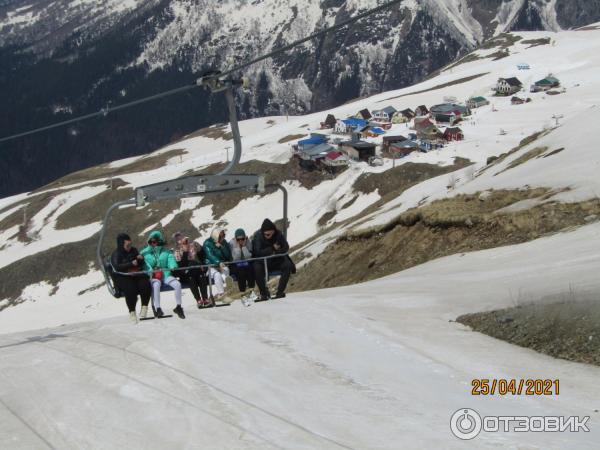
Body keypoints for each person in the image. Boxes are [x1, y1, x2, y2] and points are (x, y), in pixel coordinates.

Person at [141, 230, 185, 319]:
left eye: (156, 241)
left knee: (177, 284)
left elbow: (170, 259)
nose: (154, 244)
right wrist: (151, 270)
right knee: (156, 285)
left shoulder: (166, 251)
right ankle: (158, 308)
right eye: (152, 241)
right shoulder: (145, 252)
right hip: (153, 276)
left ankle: (179, 307)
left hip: (165, 274)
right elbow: (144, 264)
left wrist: (173, 265)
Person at [110, 233, 151, 323]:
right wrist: (130, 264)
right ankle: (132, 311)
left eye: (130, 244)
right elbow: (117, 266)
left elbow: (139, 262)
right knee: (130, 288)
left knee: (145, 282)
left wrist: (140, 259)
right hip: (123, 276)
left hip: (135, 273)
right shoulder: (116, 254)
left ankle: (144, 306)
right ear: (121, 244)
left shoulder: (133, 250)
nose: (129, 247)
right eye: (127, 245)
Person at [252, 219, 295, 301]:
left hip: (275, 260)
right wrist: (272, 248)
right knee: (256, 268)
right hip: (262, 262)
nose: (267, 236)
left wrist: (277, 251)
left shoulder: (278, 234)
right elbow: (257, 252)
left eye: (269, 234)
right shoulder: (258, 236)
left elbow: (286, 247)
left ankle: (280, 292)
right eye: (265, 234)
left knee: (287, 265)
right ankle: (264, 293)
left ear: (273, 231)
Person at [172, 232, 211, 308]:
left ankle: (205, 298)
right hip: (186, 272)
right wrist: (185, 252)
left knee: (201, 276)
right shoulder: (177, 250)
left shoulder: (193, 245)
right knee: (191, 278)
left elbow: (202, 256)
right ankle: (198, 300)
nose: (180, 240)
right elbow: (181, 265)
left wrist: (198, 249)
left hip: (197, 269)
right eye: (178, 239)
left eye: (181, 238)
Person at [203, 227, 232, 302]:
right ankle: (221, 294)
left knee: (225, 271)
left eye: (223, 235)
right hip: (210, 266)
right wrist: (218, 262)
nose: (222, 237)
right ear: (216, 236)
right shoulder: (207, 243)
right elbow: (210, 255)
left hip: (221, 264)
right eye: (220, 236)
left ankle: (227, 290)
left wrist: (222, 247)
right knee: (217, 275)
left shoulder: (224, 242)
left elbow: (228, 255)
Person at [228, 228, 256, 298]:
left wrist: (243, 246)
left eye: (242, 239)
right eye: (238, 239)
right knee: (241, 272)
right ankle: (242, 292)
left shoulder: (248, 242)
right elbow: (235, 258)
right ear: (235, 239)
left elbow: (249, 257)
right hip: (236, 264)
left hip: (246, 263)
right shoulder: (231, 244)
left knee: (250, 269)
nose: (240, 241)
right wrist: (238, 247)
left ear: (245, 238)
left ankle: (251, 290)